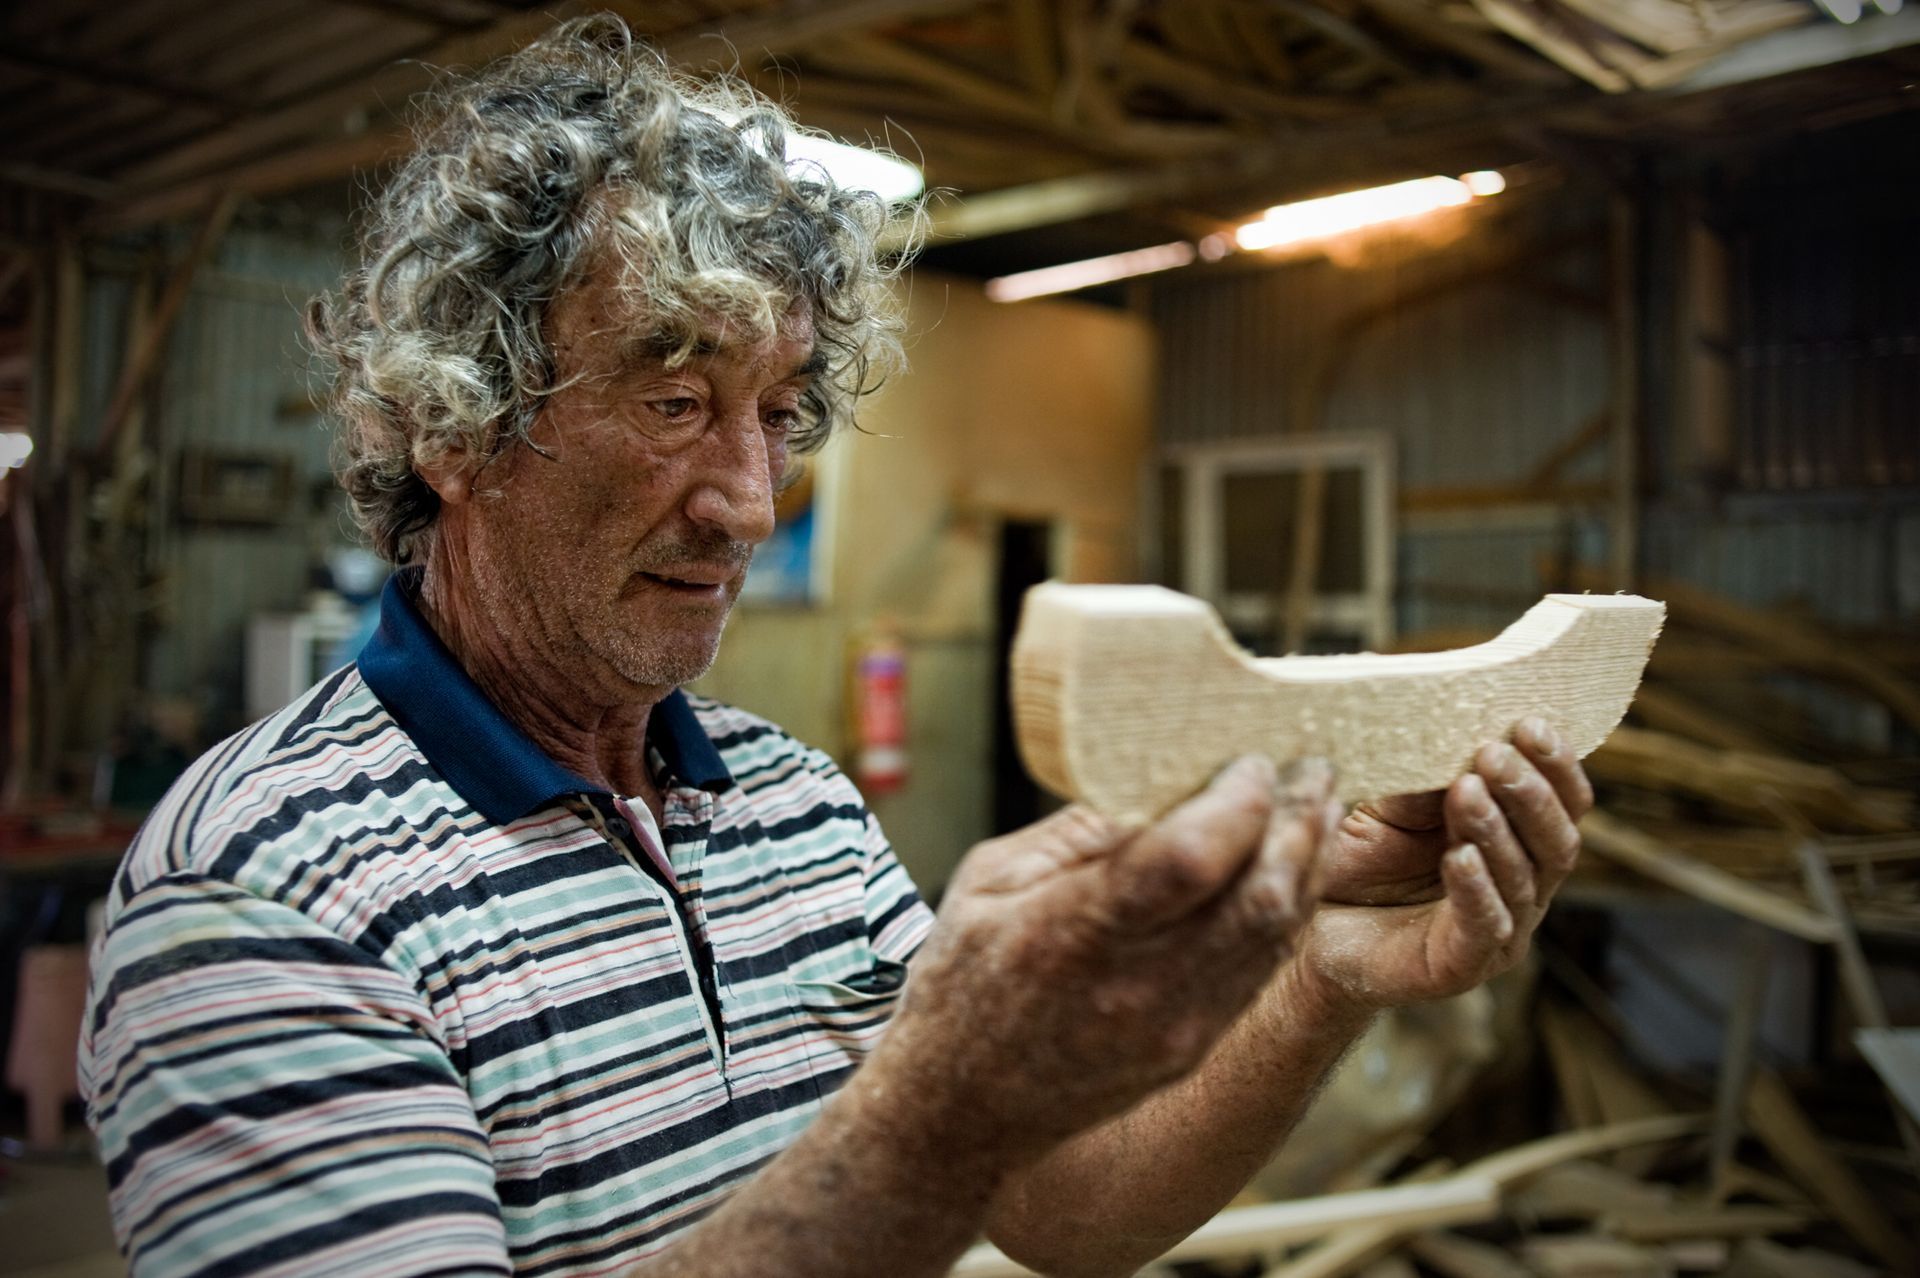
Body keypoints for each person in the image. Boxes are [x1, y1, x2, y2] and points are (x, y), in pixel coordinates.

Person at [79, 17, 1592, 1278]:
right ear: (457, 427)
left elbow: (1059, 1208)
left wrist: (1325, 974)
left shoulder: (791, 806)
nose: (750, 501)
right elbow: (943, 1148)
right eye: (675, 402)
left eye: (781, 413)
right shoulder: (267, 890)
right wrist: (937, 1107)